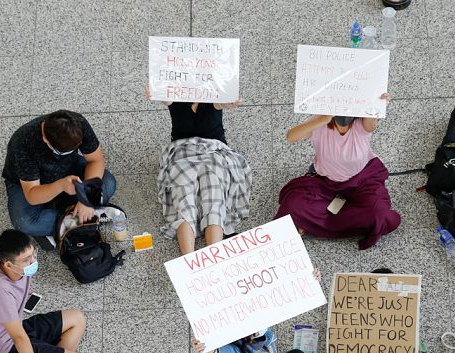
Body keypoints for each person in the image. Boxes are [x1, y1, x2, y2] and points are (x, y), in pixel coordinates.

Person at [275, 93, 401, 250]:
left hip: (362, 181)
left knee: (379, 213)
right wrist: (321, 120)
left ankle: (319, 223)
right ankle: (348, 220)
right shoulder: (320, 121)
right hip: (325, 182)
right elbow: (291, 137)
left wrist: (378, 102)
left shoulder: (362, 124)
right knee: (294, 204)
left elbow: (372, 120)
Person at [148, 88, 250, 254]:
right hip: (182, 152)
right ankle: (188, 262)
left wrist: (231, 102)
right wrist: (156, 91)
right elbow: (165, 97)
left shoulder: (213, 96)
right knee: (183, 196)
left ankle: (214, 258)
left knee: (214, 193)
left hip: (214, 151)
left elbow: (222, 102)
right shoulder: (176, 95)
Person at [2, 110, 116, 249]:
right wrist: (61, 186)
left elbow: (96, 160)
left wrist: (85, 196)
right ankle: (86, 217)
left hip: (69, 168)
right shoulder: (24, 143)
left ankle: (64, 225)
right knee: (25, 222)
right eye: (60, 152)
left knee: (109, 182)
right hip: (26, 183)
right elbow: (32, 194)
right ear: (45, 138)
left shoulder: (77, 123)